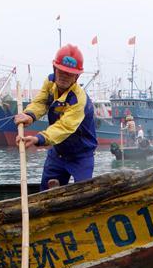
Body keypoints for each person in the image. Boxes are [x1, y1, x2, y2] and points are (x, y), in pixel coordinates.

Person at [14, 44, 97, 188]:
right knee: (45, 192)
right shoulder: (50, 82)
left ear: (77, 76)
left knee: (84, 193)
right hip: (58, 152)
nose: (64, 76)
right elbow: (41, 102)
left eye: (69, 73)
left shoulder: (79, 99)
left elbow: (65, 126)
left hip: (81, 155)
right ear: (55, 69)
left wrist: (38, 139)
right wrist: (29, 115)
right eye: (61, 71)